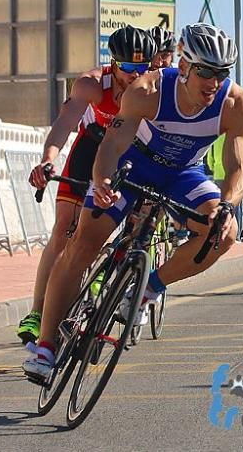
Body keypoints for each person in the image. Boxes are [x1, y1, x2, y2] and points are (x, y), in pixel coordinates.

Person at [24, 23, 243, 382]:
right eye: (206, 72)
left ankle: (148, 287)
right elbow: (112, 145)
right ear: (185, 66)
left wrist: (228, 205)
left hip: (184, 173)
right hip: (134, 164)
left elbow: (238, 166)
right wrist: (101, 182)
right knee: (83, 241)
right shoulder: (148, 90)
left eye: (221, 73)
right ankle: (46, 346)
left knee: (224, 234)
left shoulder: (235, 103)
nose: (213, 82)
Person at [15, 26, 157, 347]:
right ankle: (38, 312)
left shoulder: (155, 87)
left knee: (134, 225)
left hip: (129, 154)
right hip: (91, 147)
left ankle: (106, 284)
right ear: (113, 63)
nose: (135, 76)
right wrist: (48, 160)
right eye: (128, 69)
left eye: (142, 68)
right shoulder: (92, 84)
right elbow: (66, 123)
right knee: (64, 227)